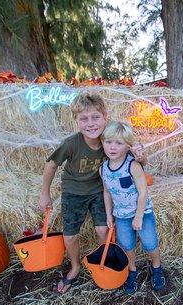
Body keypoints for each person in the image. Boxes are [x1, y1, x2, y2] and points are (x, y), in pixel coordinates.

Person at [38, 92, 145, 294]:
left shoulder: (111, 138)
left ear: (106, 117)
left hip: (99, 190)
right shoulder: (71, 143)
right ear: (76, 121)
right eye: (83, 118)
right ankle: (76, 266)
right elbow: (51, 166)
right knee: (69, 236)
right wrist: (45, 194)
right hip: (74, 190)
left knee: (103, 230)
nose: (90, 123)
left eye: (95, 117)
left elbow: (131, 151)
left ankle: (104, 261)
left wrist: (141, 157)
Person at [100, 121, 165, 295]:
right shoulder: (103, 169)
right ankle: (132, 270)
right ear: (102, 142)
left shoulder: (133, 166)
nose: (113, 147)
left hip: (142, 213)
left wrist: (138, 217)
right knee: (126, 245)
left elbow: (143, 192)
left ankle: (156, 267)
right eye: (108, 142)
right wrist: (109, 214)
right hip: (121, 215)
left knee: (150, 242)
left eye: (119, 143)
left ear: (128, 146)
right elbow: (106, 192)